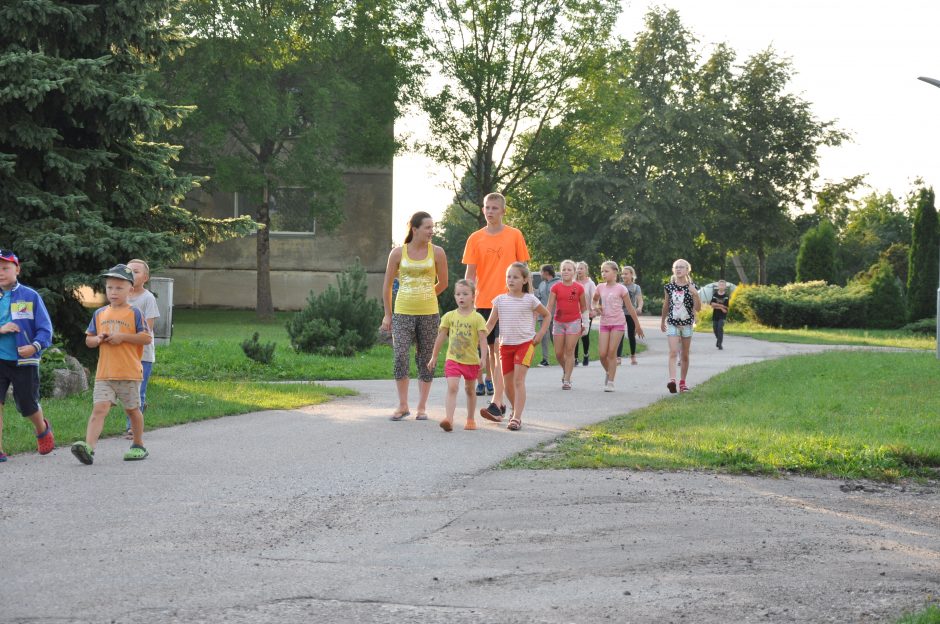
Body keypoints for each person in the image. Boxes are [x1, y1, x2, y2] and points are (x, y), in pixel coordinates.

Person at [71, 265, 153, 464]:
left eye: (119, 288)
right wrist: (98, 338)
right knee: (99, 409)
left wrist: (122, 337)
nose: (113, 292)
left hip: (129, 372)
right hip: (104, 374)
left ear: (130, 290)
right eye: (109, 288)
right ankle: (89, 448)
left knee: (133, 410)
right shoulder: (99, 314)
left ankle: (138, 444)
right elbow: (89, 340)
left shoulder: (134, 313)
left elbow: (146, 338)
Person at [462, 192, 530, 422]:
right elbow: (470, 274)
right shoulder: (475, 238)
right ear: (483, 210)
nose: (490, 211)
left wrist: (526, 302)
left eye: (494, 208)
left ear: (503, 211)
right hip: (483, 303)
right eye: (486, 207)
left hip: (509, 303)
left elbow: (524, 271)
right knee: (491, 353)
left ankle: (497, 402)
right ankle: (503, 404)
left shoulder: (514, 235)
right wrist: (467, 303)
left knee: (501, 353)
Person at [380, 211, 449, 421]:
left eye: (432, 227)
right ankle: (402, 405)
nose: (432, 231)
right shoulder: (398, 253)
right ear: (415, 229)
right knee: (400, 356)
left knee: (426, 359)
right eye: (428, 227)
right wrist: (387, 315)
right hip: (402, 313)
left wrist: (426, 295)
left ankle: (421, 407)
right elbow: (387, 286)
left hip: (429, 313)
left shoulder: (437, 252)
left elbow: (444, 283)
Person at [0, 250, 55, 462]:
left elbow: (45, 329)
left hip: (24, 360)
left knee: (27, 404)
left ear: (17, 270)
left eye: (5, 268)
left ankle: (42, 429)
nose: (1, 272)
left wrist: (34, 346)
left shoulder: (30, 296)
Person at [483, 262, 550, 430]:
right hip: (505, 347)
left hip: (525, 344)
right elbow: (490, 324)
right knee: (508, 385)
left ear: (525, 280)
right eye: (508, 277)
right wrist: (480, 334)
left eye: (515, 277)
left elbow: (547, 315)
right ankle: (514, 410)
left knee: (519, 380)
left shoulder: (530, 299)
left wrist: (540, 334)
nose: (511, 280)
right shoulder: (500, 300)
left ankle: (517, 418)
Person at [427, 280, 489, 432]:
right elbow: (441, 337)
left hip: (471, 361)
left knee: (470, 390)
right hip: (453, 359)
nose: (461, 297)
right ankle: (449, 419)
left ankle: (470, 419)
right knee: (452, 387)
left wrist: (483, 358)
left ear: (473, 296)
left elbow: (482, 340)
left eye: (465, 294)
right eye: (458, 294)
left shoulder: (478, 318)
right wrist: (434, 356)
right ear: (455, 297)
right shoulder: (449, 316)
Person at [592, 261, 643, 391]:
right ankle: (609, 372)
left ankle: (611, 382)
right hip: (604, 323)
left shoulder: (621, 288)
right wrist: (597, 307)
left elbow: (631, 308)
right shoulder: (600, 287)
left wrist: (637, 325)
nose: (603, 274)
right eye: (602, 271)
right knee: (602, 354)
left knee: (611, 353)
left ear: (615, 273)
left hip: (618, 323)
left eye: (606, 271)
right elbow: (594, 300)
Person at [124, 259, 159, 439]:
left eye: (136, 271)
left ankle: (133, 427)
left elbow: (148, 328)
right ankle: (134, 418)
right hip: (123, 353)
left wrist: (128, 336)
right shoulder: (120, 296)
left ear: (145, 277)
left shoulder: (148, 298)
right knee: (127, 389)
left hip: (142, 354)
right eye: (129, 270)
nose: (132, 273)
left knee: (139, 390)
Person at [660, 258, 702, 394]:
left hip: (687, 325)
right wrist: (662, 321)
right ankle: (672, 380)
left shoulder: (693, 287)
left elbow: (698, 308)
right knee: (673, 352)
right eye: (676, 267)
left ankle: (682, 383)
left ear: (687, 270)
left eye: (681, 267)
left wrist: (695, 294)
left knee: (684, 355)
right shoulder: (669, 287)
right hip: (672, 323)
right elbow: (666, 305)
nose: (678, 269)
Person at [546, 259, 586, 390]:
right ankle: (566, 370)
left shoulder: (579, 288)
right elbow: (549, 306)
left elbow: (584, 308)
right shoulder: (555, 287)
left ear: (574, 272)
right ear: (560, 272)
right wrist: (546, 321)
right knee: (558, 353)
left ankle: (567, 380)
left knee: (569, 351)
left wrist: (585, 323)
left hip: (574, 322)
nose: (566, 271)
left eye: (569, 269)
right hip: (558, 322)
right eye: (564, 269)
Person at [616, 265, 644, 365]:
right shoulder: (619, 286)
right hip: (620, 313)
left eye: (626, 274)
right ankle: (618, 357)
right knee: (620, 335)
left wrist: (639, 307)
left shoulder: (636, 287)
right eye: (622, 274)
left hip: (631, 314)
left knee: (631, 335)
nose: (623, 275)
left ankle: (633, 356)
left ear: (632, 275)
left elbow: (640, 300)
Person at [534, 264, 559, 367]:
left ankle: (561, 357)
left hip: (555, 315)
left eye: (541, 272)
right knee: (544, 337)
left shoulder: (558, 283)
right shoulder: (541, 284)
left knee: (555, 338)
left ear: (546, 272)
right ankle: (545, 360)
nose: (540, 274)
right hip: (542, 316)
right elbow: (538, 299)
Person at [573, 261, 596, 367]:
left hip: (586, 312)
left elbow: (594, 298)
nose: (579, 270)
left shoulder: (590, 284)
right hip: (574, 312)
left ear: (586, 270)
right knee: (574, 335)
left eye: (581, 268)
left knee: (584, 334)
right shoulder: (573, 282)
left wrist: (593, 310)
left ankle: (586, 355)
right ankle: (575, 358)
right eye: (577, 268)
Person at [710, 279, 730, 350]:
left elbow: (726, 307)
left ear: (725, 286)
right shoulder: (715, 295)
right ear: (718, 286)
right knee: (715, 329)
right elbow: (712, 304)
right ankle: (719, 340)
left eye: (723, 285)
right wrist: (721, 307)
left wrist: (717, 305)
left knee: (720, 328)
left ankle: (720, 344)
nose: (721, 286)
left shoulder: (726, 296)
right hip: (715, 315)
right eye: (720, 285)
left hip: (722, 315)